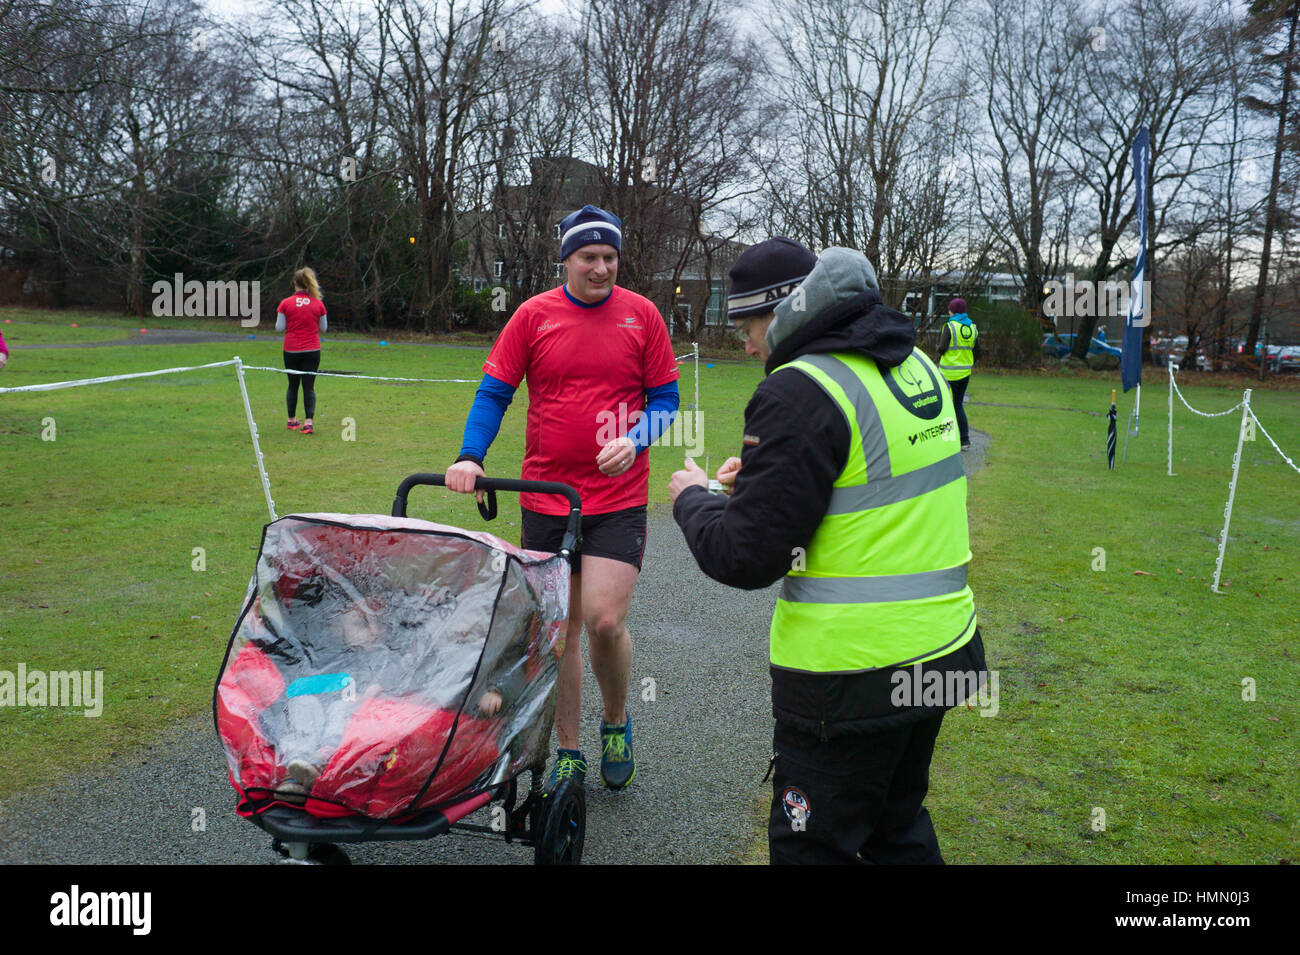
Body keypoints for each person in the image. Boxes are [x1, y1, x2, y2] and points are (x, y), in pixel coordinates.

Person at [668, 239, 987, 864]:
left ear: (788, 309)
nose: (747, 344)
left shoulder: (800, 388)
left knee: (814, 848)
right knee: (897, 830)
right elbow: (869, 484)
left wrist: (692, 497)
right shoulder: (914, 362)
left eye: (749, 325)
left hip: (850, 678)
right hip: (938, 651)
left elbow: (745, 556)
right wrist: (763, 480)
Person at [446, 204, 680, 792]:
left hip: (618, 496)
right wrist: (471, 455)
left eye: (610, 257)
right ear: (566, 260)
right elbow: (493, 393)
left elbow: (667, 400)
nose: (601, 268)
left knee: (603, 620)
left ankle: (617, 720)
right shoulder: (532, 316)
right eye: (589, 257)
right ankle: (570, 748)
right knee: (562, 628)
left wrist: (635, 439)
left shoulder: (643, 316)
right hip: (547, 497)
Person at [276, 267, 328, 435]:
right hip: (312, 349)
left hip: (291, 350)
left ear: (295, 283)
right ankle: (309, 422)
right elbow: (324, 328)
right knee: (309, 386)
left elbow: (279, 327)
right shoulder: (318, 304)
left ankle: (292, 421)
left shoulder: (285, 303)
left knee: (292, 385)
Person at [935, 296, 978, 450]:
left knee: (945, 406)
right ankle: (964, 440)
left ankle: (946, 440)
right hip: (965, 373)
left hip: (948, 373)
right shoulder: (972, 327)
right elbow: (977, 352)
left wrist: (937, 348)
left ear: (952, 310)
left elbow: (942, 348)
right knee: (958, 405)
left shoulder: (950, 326)